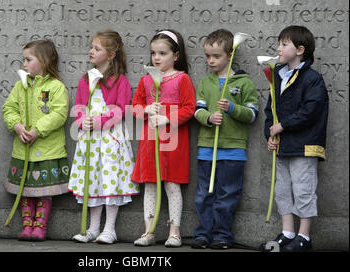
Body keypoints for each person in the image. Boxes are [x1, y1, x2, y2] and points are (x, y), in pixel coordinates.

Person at [260, 25, 329, 252]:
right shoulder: (277, 77)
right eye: (279, 43)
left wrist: (283, 125)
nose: (278, 48)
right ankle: (288, 233)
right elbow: (270, 110)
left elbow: (311, 111)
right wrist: (270, 132)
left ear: (300, 49)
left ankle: (304, 236)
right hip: (283, 146)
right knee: (282, 190)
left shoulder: (312, 79)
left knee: (303, 189)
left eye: (283, 44)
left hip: (304, 145)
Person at [69, 30, 139, 244]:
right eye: (91, 47)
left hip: (110, 139)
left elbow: (120, 109)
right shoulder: (85, 79)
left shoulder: (120, 81)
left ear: (111, 55)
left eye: (97, 48)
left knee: (109, 180)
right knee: (93, 181)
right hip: (90, 139)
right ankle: (92, 228)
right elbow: (79, 106)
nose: (91, 51)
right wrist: (82, 120)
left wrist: (99, 121)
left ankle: (110, 229)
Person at [191, 29, 259, 250]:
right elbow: (197, 111)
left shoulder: (244, 83)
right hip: (207, 149)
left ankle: (222, 235)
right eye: (208, 56)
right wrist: (209, 117)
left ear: (230, 55)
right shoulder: (205, 83)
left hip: (233, 151)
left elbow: (252, 114)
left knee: (227, 195)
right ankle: (203, 234)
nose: (211, 61)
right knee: (204, 195)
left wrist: (232, 108)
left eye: (216, 56)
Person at [131, 30, 196, 247]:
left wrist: (167, 118)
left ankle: (174, 231)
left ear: (176, 56)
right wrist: (147, 109)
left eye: (162, 53)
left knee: (171, 184)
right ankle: (148, 231)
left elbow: (189, 109)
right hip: (150, 141)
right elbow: (135, 108)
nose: (156, 58)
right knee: (150, 184)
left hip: (174, 141)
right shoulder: (145, 80)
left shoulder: (182, 79)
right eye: (153, 53)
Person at [2, 40, 70, 241]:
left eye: (28, 59)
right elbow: (9, 108)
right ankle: (26, 225)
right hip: (23, 151)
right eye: (23, 59)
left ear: (44, 61)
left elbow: (60, 113)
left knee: (42, 191)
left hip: (48, 151)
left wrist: (38, 130)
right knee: (25, 190)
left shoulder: (56, 87)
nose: (23, 64)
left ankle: (40, 226)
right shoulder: (20, 86)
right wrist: (16, 125)